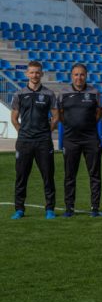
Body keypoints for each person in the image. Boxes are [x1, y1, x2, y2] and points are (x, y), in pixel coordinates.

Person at [10, 60, 58, 220]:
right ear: (27, 74)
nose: (34, 75)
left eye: (37, 72)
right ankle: (19, 209)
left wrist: (46, 132)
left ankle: (50, 208)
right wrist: (22, 132)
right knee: (21, 176)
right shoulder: (19, 94)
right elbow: (14, 118)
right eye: (32, 72)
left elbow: (55, 116)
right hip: (24, 142)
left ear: (42, 74)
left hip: (43, 142)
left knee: (48, 176)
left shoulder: (49, 94)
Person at [58, 63, 102, 217]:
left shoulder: (94, 93)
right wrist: (72, 125)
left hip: (90, 139)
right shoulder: (63, 93)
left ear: (86, 75)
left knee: (94, 175)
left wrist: (86, 125)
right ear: (72, 76)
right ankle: (69, 208)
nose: (79, 77)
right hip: (71, 140)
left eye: (82, 74)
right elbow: (61, 115)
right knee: (70, 175)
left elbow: (98, 113)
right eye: (76, 74)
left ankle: (95, 208)